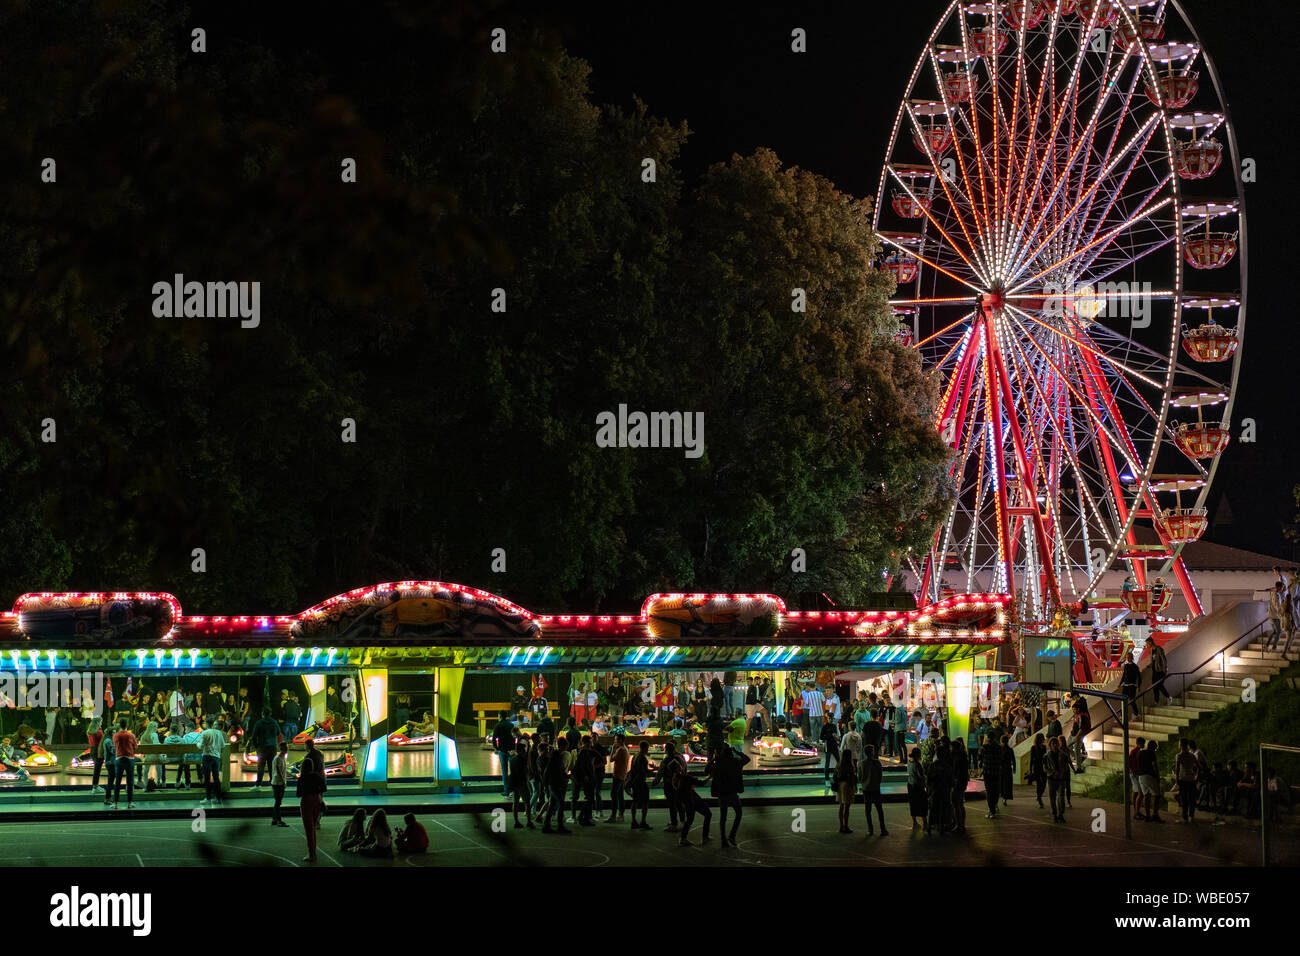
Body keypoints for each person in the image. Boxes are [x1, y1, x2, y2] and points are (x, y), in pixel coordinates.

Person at [708, 743, 748, 847]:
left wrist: (713, 759)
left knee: (723, 817)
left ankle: (723, 839)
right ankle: (732, 835)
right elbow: (747, 759)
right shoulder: (735, 763)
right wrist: (737, 752)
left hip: (722, 793)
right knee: (738, 813)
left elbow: (706, 770)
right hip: (732, 792)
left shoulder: (718, 764)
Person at [675, 759, 711, 847]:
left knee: (690, 820)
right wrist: (710, 777)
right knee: (707, 814)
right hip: (693, 800)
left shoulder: (676, 779)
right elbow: (701, 783)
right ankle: (704, 836)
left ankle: (683, 838)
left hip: (688, 801)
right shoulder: (686, 778)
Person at [541, 737, 570, 834]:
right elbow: (553, 770)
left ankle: (546, 825)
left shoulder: (555, 756)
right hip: (555, 783)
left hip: (553, 783)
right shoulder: (556, 756)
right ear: (562, 746)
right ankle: (560, 826)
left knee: (552, 804)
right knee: (561, 803)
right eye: (565, 747)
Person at [249, 707, 280, 790]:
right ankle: (273, 784)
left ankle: (258, 785)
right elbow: (278, 732)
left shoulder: (259, 723)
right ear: (270, 713)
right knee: (272, 766)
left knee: (261, 766)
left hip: (262, 747)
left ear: (262, 713)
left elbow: (254, 736)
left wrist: (256, 746)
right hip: (272, 747)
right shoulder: (274, 722)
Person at [110, 717, 138, 810]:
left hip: (119, 759)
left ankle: (115, 803)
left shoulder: (115, 735)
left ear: (119, 725)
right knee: (130, 782)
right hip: (129, 759)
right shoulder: (131, 735)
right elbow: (135, 747)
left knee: (117, 781)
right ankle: (130, 803)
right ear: (127, 725)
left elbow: (115, 745)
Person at [197, 716, 224, 806]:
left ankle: (208, 798)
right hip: (217, 757)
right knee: (216, 778)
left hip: (207, 756)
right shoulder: (219, 733)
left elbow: (200, 746)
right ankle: (218, 798)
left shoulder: (205, 733)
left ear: (207, 724)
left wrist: (197, 743)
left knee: (207, 778)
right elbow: (222, 745)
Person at [627, 739, 651, 830]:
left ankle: (633, 821)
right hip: (641, 782)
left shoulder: (635, 756)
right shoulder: (643, 758)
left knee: (635, 801)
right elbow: (643, 771)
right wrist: (652, 770)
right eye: (647, 748)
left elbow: (633, 769)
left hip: (634, 782)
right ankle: (643, 821)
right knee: (645, 802)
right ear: (645, 748)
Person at [1174, 738, 1199, 823]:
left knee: (1184, 799)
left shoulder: (1179, 756)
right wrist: (1196, 776)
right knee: (1191, 798)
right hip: (1191, 779)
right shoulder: (1192, 756)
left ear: (1180, 745)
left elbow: (1177, 769)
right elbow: (1198, 767)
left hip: (1183, 779)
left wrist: (1177, 779)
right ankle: (1191, 816)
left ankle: (1184, 817)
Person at [833, 744, 857, 833]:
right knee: (847, 807)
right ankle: (846, 826)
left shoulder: (839, 765)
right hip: (847, 786)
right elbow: (851, 778)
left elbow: (835, 776)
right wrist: (854, 787)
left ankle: (841, 826)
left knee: (841, 806)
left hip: (840, 786)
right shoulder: (850, 766)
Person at [491, 710, 515, 798]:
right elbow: (514, 737)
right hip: (511, 750)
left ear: (500, 716)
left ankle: (506, 791)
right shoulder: (511, 725)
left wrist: (497, 748)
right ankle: (513, 790)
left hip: (503, 750)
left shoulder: (498, 726)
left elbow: (494, 739)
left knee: (504, 771)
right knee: (513, 770)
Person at [1045, 737, 1069, 823]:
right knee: (1052, 798)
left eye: (1056, 743)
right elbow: (1045, 768)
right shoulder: (1047, 756)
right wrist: (1052, 772)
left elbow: (1066, 765)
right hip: (1051, 778)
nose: (1055, 745)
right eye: (1053, 744)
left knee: (1061, 797)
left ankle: (1061, 814)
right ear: (1050, 745)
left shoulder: (1062, 755)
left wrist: (1062, 772)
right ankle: (1055, 814)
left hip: (1061, 779)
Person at [1138, 739, 1163, 822]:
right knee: (1157, 795)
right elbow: (1154, 765)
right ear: (1153, 747)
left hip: (1141, 776)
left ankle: (1148, 815)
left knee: (1147, 795)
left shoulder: (1141, 752)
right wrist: (1158, 776)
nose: (1156, 749)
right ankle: (1155, 814)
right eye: (1155, 747)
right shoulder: (1152, 753)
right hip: (1149, 776)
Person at [608, 733, 629, 823]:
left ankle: (613, 815)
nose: (614, 741)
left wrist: (613, 749)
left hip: (618, 775)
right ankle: (621, 814)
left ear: (620, 740)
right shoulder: (625, 749)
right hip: (622, 774)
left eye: (616, 739)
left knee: (614, 794)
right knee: (620, 795)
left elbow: (611, 759)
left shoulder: (620, 750)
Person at [267, 740, 289, 827]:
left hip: (280, 782)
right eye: (285, 748)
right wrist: (283, 782)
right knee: (278, 801)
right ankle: (278, 820)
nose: (286, 749)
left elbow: (283, 771)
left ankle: (274, 820)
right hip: (277, 783)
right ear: (281, 749)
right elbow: (278, 771)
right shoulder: (277, 758)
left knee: (278, 802)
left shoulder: (283, 758)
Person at [949, 736, 968, 833]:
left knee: (956, 803)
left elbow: (957, 771)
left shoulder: (957, 757)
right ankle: (961, 824)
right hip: (962, 782)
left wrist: (955, 780)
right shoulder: (963, 755)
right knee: (960, 803)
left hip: (958, 782)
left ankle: (958, 824)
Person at [980, 730, 1000, 818]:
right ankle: (994, 806)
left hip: (987, 771)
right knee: (995, 790)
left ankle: (991, 810)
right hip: (996, 771)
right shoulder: (998, 747)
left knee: (989, 790)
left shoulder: (984, 747)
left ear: (988, 737)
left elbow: (980, 757)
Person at [906, 747, 927, 828]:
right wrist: (925, 785)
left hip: (910, 784)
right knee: (922, 804)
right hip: (918, 786)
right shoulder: (917, 764)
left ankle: (914, 822)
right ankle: (925, 823)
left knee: (913, 803)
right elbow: (921, 777)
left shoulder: (909, 763)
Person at [86, 718, 106, 795]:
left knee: (96, 770)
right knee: (97, 770)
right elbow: (102, 742)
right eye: (101, 722)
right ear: (98, 723)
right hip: (98, 751)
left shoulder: (89, 731)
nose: (101, 723)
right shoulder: (99, 732)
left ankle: (95, 786)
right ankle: (95, 787)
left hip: (92, 750)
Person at [819, 714, 840, 792]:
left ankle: (838, 777)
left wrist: (834, 737)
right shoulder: (824, 727)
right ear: (827, 719)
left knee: (839, 761)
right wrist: (829, 736)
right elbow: (821, 737)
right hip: (828, 746)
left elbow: (835, 735)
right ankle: (827, 779)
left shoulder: (834, 726)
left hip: (834, 746)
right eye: (829, 718)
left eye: (832, 718)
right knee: (827, 764)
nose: (831, 720)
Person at [1028, 733, 1048, 809]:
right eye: (1042, 738)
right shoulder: (1033, 748)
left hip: (1043, 767)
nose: (1043, 739)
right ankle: (1039, 799)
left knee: (1044, 783)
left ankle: (1039, 795)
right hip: (1036, 767)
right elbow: (1031, 759)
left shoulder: (1044, 747)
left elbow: (1045, 757)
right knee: (1039, 783)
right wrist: (1030, 769)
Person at [1149, 640, 1169, 704]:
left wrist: (1165, 668)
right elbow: (1153, 661)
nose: (1147, 645)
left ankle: (1168, 696)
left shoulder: (1159, 649)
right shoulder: (1151, 650)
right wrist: (1149, 666)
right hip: (1154, 670)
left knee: (1159, 685)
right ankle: (1156, 700)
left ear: (1150, 642)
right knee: (1154, 686)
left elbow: (1163, 659)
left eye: (1147, 643)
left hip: (1160, 670)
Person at [998, 734, 1015, 806]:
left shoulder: (999, 749)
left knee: (1001, 783)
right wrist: (1014, 768)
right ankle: (1005, 798)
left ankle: (1001, 796)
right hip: (1008, 768)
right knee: (1007, 784)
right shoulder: (1010, 749)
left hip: (1000, 768)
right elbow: (1013, 760)